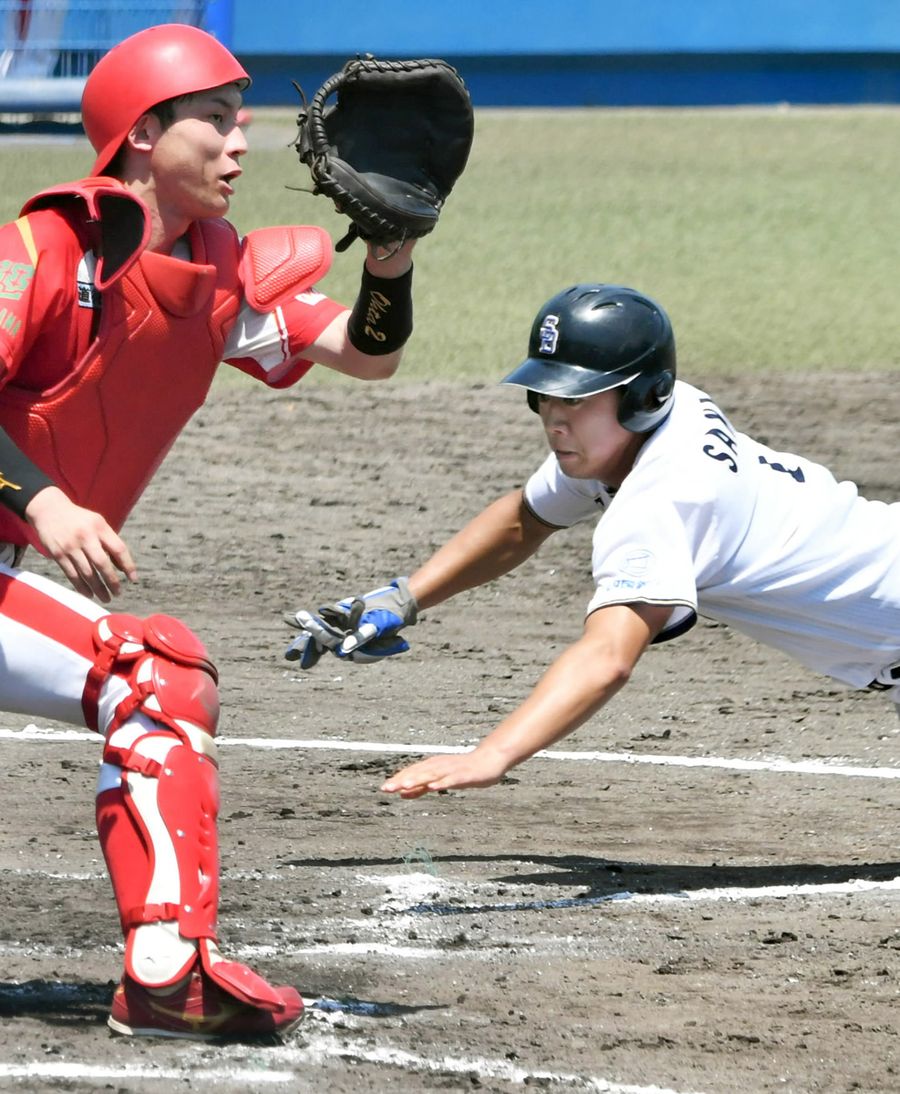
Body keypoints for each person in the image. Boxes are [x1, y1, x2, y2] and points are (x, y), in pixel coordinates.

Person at [0, 23, 423, 1040]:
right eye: (218, 122)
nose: (242, 146)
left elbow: (365, 353)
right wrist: (46, 500)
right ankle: (167, 973)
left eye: (243, 124)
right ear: (143, 134)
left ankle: (166, 967)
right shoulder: (39, 248)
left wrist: (393, 259)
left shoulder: (219, 272)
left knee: (156, 682)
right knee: (153, 672)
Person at [288, 282, 900, 801]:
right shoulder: (654, 425)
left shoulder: (664, 499)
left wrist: (491, 756)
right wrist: (406, 597)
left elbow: (608, 657)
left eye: (576, 399)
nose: (554, 418)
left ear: (643, 396)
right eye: (545, 395)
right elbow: (526, 518)